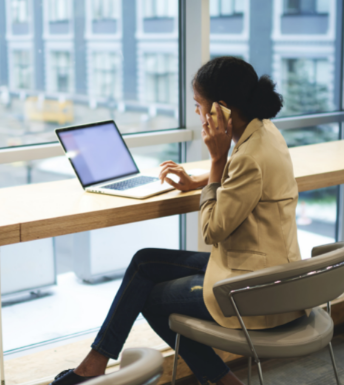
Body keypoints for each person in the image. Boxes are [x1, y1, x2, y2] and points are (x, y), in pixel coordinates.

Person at [50, 57, 300, 385]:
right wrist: (199, 180)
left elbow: (212, 230)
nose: (197, 114)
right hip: (270, 270)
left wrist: (216, 159)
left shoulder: (249, 156)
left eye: (199, 106)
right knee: (145, 262)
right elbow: (245, 183)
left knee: (151, 300)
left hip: (253, 289)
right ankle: (94, 364)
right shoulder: (263, 132)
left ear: (220, 110)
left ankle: (225, 383)